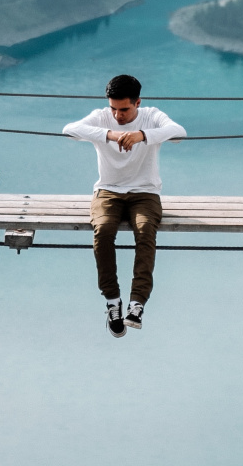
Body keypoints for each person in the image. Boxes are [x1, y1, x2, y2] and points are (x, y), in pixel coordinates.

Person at [63, 74, 185, 338]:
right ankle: (112, 301)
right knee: (103, 230)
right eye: (113, 108)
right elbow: (70, 130)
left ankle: (137, 303)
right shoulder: (102, 118)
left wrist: (142, 135)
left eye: (124, 109)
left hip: (145, 192)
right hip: (108, 191)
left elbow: (179, 132)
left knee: (145, 232)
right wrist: (109, 134)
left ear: (138, 103)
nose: (117, 114)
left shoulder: (151, 116)